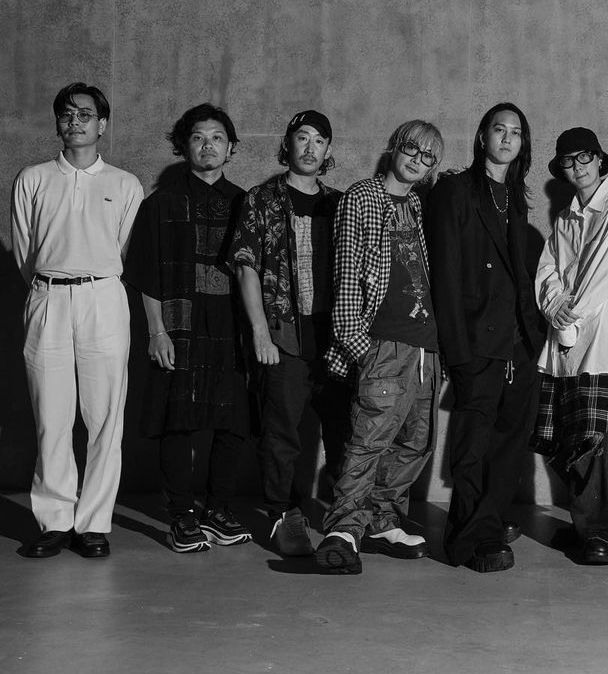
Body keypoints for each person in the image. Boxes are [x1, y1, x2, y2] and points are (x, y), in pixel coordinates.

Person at [11, 82, 143, 558]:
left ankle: (93, 524)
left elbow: (125, 249)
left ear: (102, 124)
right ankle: (55, 520)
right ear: (57, 122)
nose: (75, 121)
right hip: (47, 296)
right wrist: (51, 284)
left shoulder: (125, 184)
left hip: (103, 297)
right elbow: (25, 251)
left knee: (105, 417)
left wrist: (91, 281)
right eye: (67, 114)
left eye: (85, 114)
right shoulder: (33, 178)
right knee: (51, 416)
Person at [316, 120, 445, 575]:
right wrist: (358, 344)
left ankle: (381, 522)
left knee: (414, 443)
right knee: (369, 440)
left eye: (427, 156)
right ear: (394, 148)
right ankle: (343, 531)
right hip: (384, 342)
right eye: (411, 148)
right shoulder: (362, 196)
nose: (416, 160)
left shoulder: (416, 205)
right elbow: (346, 270)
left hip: (426, 346)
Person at [125, 103, 252, 553]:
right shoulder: (160, 204)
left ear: (230, 147)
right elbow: (145, 272)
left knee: (233, 423)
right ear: (184, 146)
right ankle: (181, 515)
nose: (208, 145)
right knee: (176, 421)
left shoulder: (246, 203)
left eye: (217, 138)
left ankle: (218, 510)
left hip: (231, 325)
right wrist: (156, 331)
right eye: (198, 137)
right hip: (178, 325)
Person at [427, 103, 547, 573]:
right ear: (483, 137)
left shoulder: (515, 198)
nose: (507, 138)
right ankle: (468, 541)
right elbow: (445, 275)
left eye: (516, 132)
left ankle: (488, 527)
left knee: (508, 448)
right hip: (476, 342)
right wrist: (457, 351)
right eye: (500, 129)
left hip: (519, 344)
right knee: (472, 447)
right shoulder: (455, 190)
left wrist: (533, 339)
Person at [229, 110, 346, 558]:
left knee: (343, 432)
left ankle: (347, 517)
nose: (310, 147)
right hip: (284, 335)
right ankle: (282, 514)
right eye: (302, 137)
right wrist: (260, 332)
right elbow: (245, 267)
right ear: (288, 144)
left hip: (334, 337)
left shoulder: (340, 203)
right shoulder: (262, 199)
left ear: (328, 150)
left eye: (319, 140)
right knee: (282, 435)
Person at [530, 127, 608, 566]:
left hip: (604, 341)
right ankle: (583, 525)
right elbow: (548, 269)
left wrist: (570, 315)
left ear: (600, 160)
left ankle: (601, 533)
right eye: (568, 161)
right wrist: (554, 306)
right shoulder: (565, 217)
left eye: (585, 158)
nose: (577, 167)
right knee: (568, 436)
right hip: (565, 346)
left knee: (595, 437)